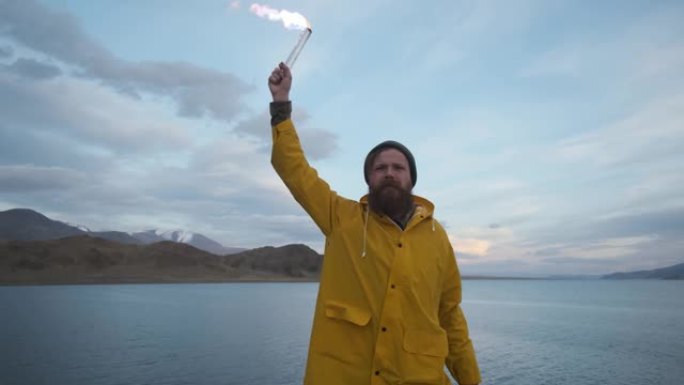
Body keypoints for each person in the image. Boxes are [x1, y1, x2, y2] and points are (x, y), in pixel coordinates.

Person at [268, 62, 481, 385]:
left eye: (398, 167)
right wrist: (281, 106)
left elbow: (450, 315)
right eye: (380, 168)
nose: (390, 173)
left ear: (411, 179)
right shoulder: (341, 218)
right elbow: (295, 170)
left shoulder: (437, 238)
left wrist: (471, 379)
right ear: (369, 178)